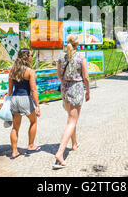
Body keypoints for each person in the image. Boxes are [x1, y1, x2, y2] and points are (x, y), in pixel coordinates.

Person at [54, 34, 90, 169]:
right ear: (77, 44)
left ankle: (74, 143)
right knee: (72, 120)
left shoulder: (61, 57)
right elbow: (85, 77)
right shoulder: (81, 57)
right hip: (76, 88)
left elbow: (59, 76)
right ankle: (60, 152)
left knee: (70, 118)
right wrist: (88, 91)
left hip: (64, 88)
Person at [8, 48, 41, 159]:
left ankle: (14, 151)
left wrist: (9, 102)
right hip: (25, 98)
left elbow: (10, 90)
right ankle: (31, 146)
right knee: (33, 121)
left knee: (15, 127)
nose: (32, 57)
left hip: (14, 99)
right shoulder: (30, 71)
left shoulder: (12, 70)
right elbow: (33, 90)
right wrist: (37, 105)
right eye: (30, 55)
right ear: (26, 57)